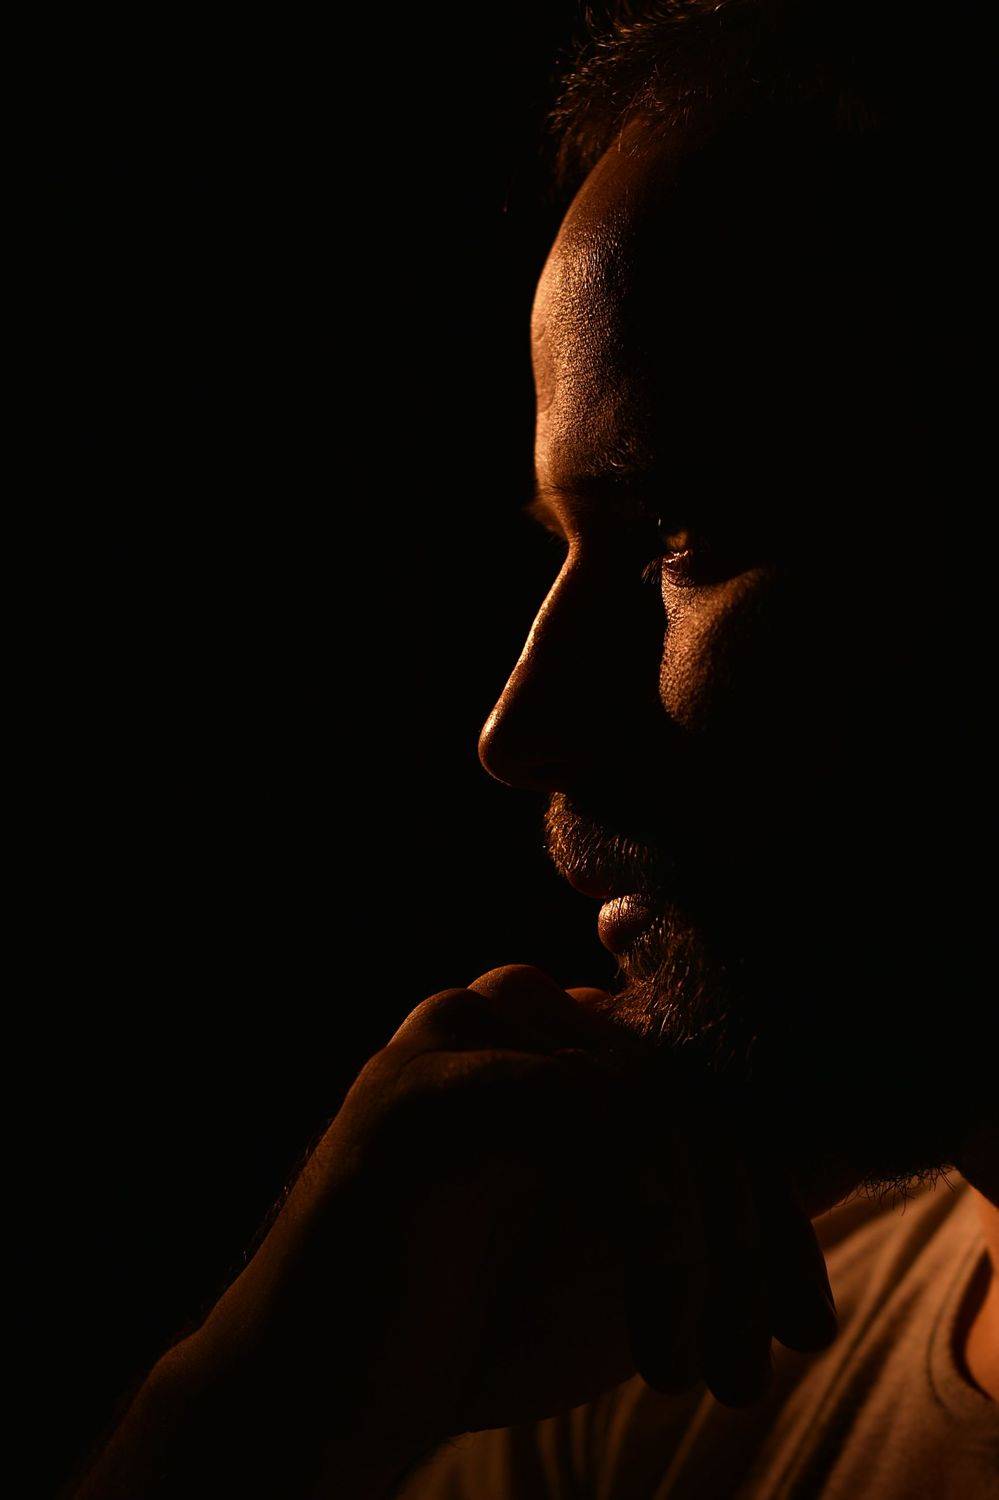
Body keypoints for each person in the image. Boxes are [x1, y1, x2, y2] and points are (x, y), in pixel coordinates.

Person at [75, 3, 998, 1496]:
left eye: (684, 539)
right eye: (566, 548)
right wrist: (269, 1396)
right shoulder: (669, 1395)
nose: (519, 729)